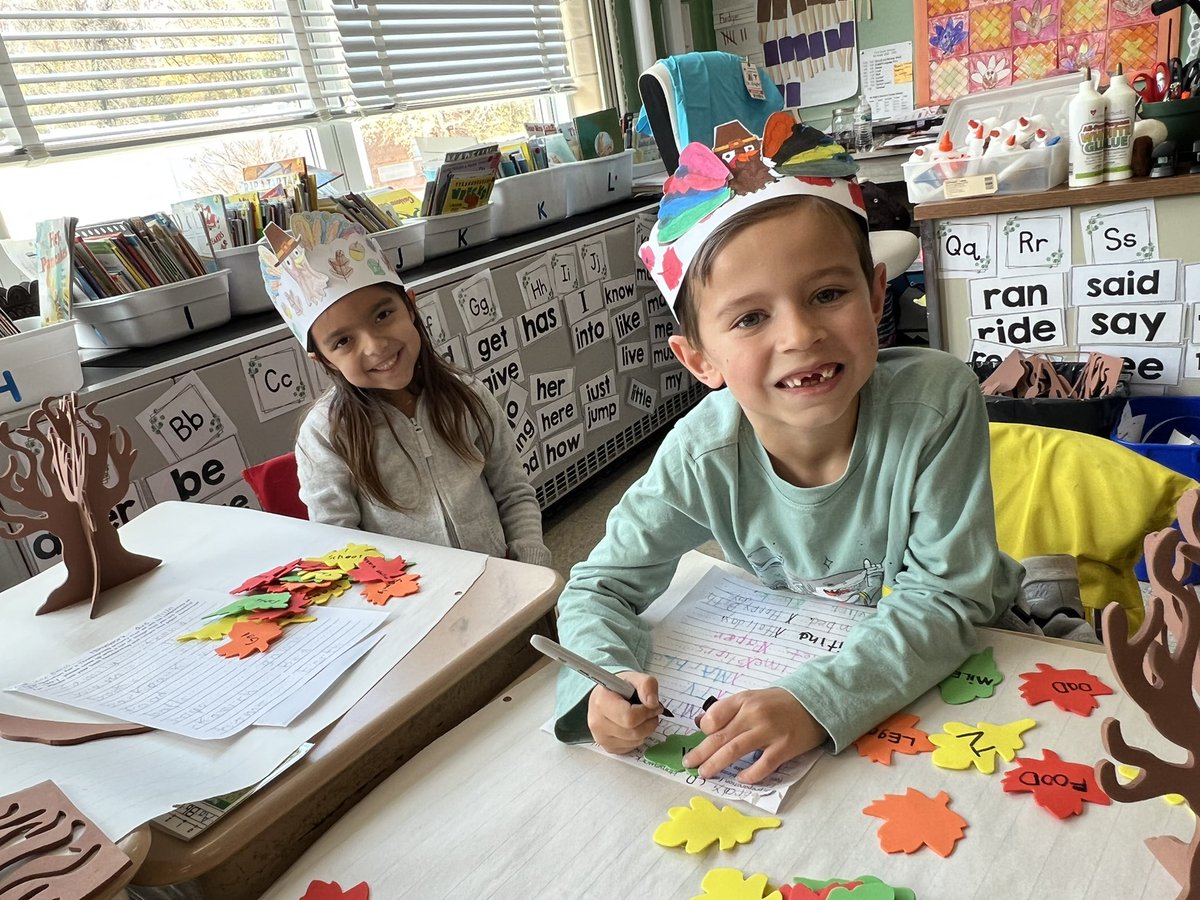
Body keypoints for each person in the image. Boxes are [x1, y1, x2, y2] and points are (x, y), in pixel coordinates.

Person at [552, 115, 1034, 785]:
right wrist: (599, 684)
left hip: (974, 660)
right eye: (751, 318)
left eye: (828, 294)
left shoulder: (937, 400)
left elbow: (947, 601)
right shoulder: (702, 455)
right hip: (820, 657)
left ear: (873, 297)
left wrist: (816, 700)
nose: (801, 334)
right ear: (699, 360)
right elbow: (598, 587)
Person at [258, 211, 550, 566]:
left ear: (410, 307)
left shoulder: (467, 395)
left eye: (383, 316)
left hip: (497, 575)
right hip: (409, 599)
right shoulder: (324, 434)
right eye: (344, 341)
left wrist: (530, 561)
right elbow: (337, 546)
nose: (375, 346)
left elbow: (513, 491)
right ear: (324, 360)